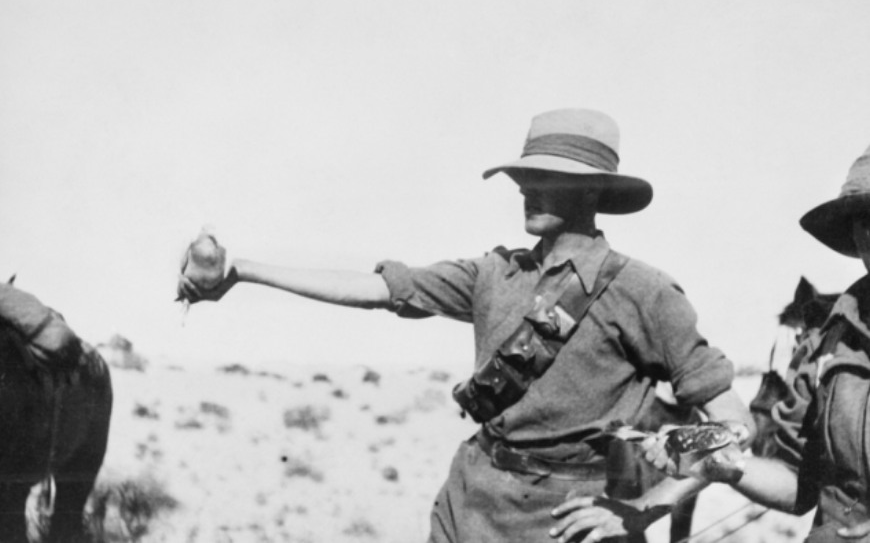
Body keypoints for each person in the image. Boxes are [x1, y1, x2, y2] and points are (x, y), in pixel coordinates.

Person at [177, 108, 753, 543]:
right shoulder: (493, 274)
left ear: (593, 190)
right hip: (469, 506)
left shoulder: (645, 292)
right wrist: (242, 271)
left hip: (571, 524)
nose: (526, 188)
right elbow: (379, 288)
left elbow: (733, 428)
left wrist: (642, 509)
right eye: (525, 175)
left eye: (547, 176)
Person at [641, 145, 870, 542]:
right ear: (854, 232)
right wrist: (723, 465)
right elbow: (796, 480)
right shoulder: (826, 340)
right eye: (867, 219)